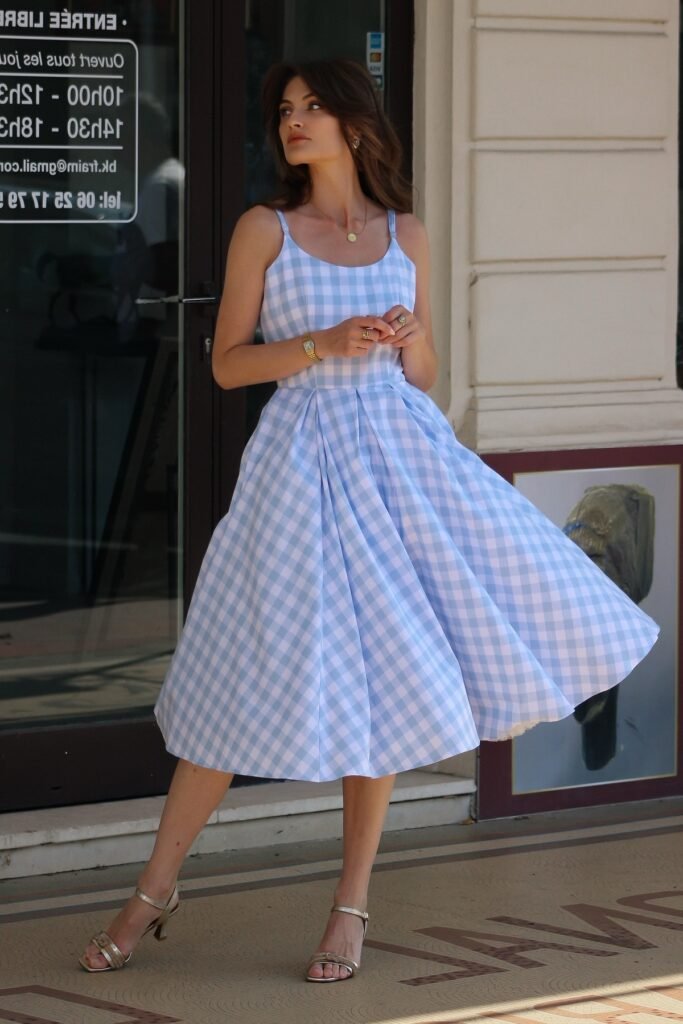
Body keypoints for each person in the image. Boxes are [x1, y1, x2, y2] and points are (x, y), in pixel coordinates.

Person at [79, 57, 660, 983]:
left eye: (312, 107)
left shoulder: (406, 232)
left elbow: (422, 376)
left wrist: (407, 338)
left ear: (354, 123)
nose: (293, 121)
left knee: (385, 680)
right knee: (238, 671)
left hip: (398, 464)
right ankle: (153, 890)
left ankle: (350, 906)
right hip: (298, 467)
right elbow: (226, 364)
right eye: (284, 109)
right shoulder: (263, 228)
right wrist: (321, 344)